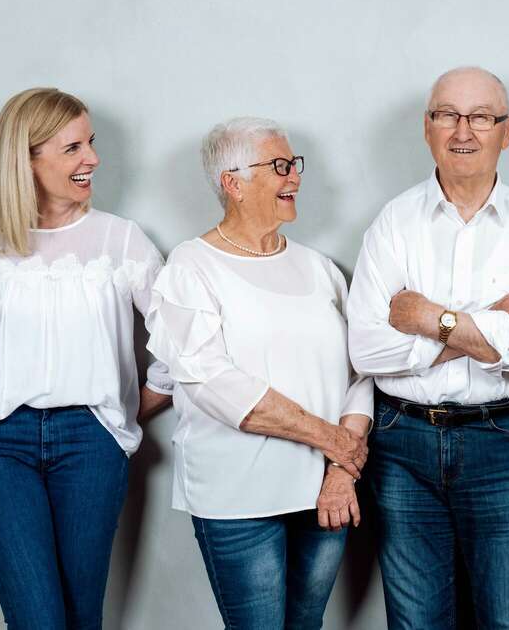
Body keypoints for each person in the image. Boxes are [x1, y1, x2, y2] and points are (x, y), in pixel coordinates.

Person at [0, 88, 173, 629]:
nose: (93, 159)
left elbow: (180, 342)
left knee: (81, 617)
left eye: (91, 143)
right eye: (73, 148)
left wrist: (125, 407)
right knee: (37, 621)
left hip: (91, 444)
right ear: (27, 159)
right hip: (1, 449)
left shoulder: (119, 241)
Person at [347, 67, 509, 629]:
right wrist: (493, 324)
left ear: (507, 131)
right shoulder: (393, 224)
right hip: (404, 443)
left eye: (480, 117)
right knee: (416, 621)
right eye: (446, 114)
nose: (462, 130)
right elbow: (368, 351)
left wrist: (428, 317)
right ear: (428, 127)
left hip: (505, 443)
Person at [142, 117, 373, 629]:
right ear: (233, 182)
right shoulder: (190, 267)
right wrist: (331, 440)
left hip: (325, 492)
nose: (295, 177)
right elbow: (211, 382)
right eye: (280, 165)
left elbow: (362, 374)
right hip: (237, 498)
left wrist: (340, 469)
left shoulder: (319, 269)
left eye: (294, 164)